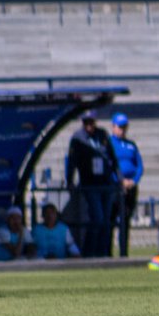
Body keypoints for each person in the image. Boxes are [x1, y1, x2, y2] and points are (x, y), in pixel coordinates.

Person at [65, 110, 120, 258]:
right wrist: (69, 180)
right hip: (90, 183)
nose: (89, 125)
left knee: (106, 221)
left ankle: (104, 252)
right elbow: (72, 161)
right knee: (97, 218)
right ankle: (90, 252)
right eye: (86, 122)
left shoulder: (102, 134)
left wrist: (119, 178)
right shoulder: (78, 138)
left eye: (91, 122)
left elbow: (112, 158)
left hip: (106, 183)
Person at [110, 113, 144, 257]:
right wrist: (120, 181)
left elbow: (139, 166)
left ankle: (124, 253)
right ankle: (107, 253)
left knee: (125, 221)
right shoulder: (109, 143)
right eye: (119, 127)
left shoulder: (131, 145)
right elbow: (109, 166)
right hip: (115, 188)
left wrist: (133, 181)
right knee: (111, 220)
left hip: (130, 188)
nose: (122, 130)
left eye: (124, 127)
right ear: (113, 127)